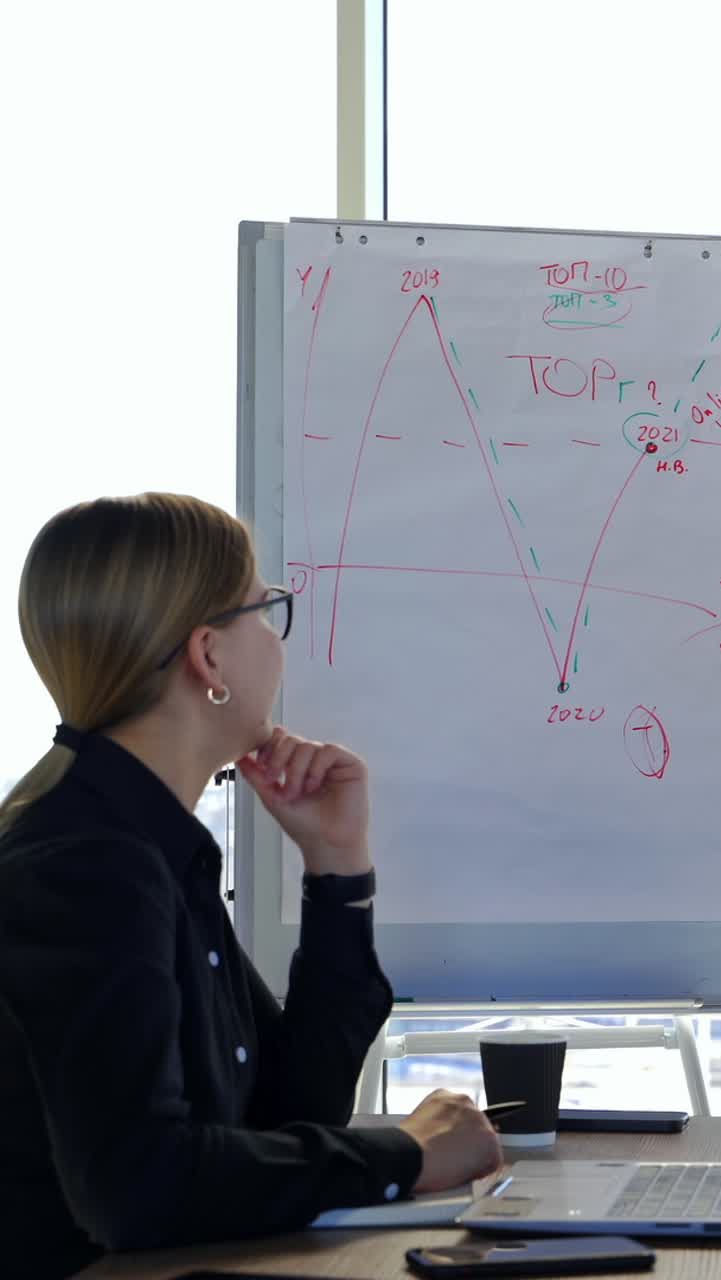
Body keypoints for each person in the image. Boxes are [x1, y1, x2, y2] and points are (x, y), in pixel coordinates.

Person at [0, 493, 503, 1279]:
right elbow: (140, 1186)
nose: (278, 640)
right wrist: (407, 1153)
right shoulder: (88, 864)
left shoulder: (150, 844)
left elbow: (283, 1115)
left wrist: (337, 868)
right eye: (266, 611)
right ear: (210, 656)